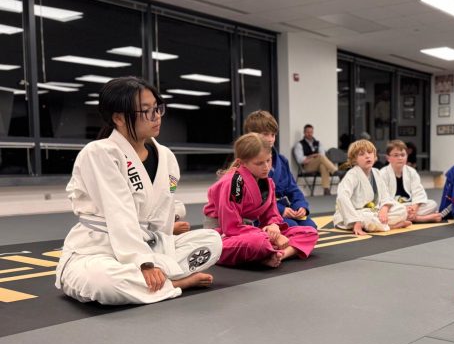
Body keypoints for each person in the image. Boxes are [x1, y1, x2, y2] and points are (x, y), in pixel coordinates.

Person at [54, 76, 222, 305]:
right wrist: (144, 262)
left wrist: (162, 243)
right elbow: (118, 210)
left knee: (213, 241)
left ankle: (153, 280)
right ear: (119, 118)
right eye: (146, 111)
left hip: (149, 244)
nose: (157, 116)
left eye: (157, 108)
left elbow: (163, 206)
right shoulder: (100, 153)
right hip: (99, 249)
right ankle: (174, 282)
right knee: (104, 281)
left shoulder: (167, 157)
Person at [204, 133, 318, 268]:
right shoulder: (235, 183)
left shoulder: (268, 182)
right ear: (241, 163)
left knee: (309, 231)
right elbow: (231, 227)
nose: (266, 167)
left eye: (268, 160)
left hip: (253, 231)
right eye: (259, 163)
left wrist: (274, 226)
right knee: (259, 242)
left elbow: (272, 214)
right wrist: (270, 236)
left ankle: (280, 254)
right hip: (223, 236)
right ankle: (267, 252)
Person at [245, 110, 316, 229]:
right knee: (290, 227)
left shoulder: (282, 161)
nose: (270, 139)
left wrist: (300, 207)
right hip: (261, 214)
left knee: (310, 227)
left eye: (273, 135)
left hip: (283, 210)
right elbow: (253, 200)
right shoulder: (248, 163)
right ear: (252, 135)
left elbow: (293, 188)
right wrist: (281, 209)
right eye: (265, 134)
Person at [333, 139, 411, 235]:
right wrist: (355, 221)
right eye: (362, 154)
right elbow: (342, 197)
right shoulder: (352, 175)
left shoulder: (377, 172)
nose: (367, 156)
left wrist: (384, 209)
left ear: (375, 156)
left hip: (373, 211)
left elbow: (385, 195)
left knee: (401, 210)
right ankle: (392, 226)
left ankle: (379, 225)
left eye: (370, 153)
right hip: (355, 213)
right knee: (368, 219)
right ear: (354, 159)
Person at [379, 140, 440, 223]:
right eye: (396, 155)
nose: (400, 158)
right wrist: (401, 208)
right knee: (383, 211)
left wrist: (414, 208)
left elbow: (418, 192)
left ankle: (408, 217)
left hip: (409, 205)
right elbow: (383, 197)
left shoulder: (411, 172)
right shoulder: (383, 173)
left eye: (403, 155)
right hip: (393, 207)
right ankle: (419, 218)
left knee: (432, 204)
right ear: (388, 158)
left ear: (407, 156)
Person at [293, 124, 338, 195]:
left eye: (311, 132)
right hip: (307, 166)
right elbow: (300, 160)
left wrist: (314, 156)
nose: (309, 134)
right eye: (307, 132)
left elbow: (322, 154)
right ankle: (335, 171)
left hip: (318, 164)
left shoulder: (318, 143)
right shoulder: (299, 144)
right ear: (304, 132)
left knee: (323, 165)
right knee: (320, 157)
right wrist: (311, 156)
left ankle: (326, 189)